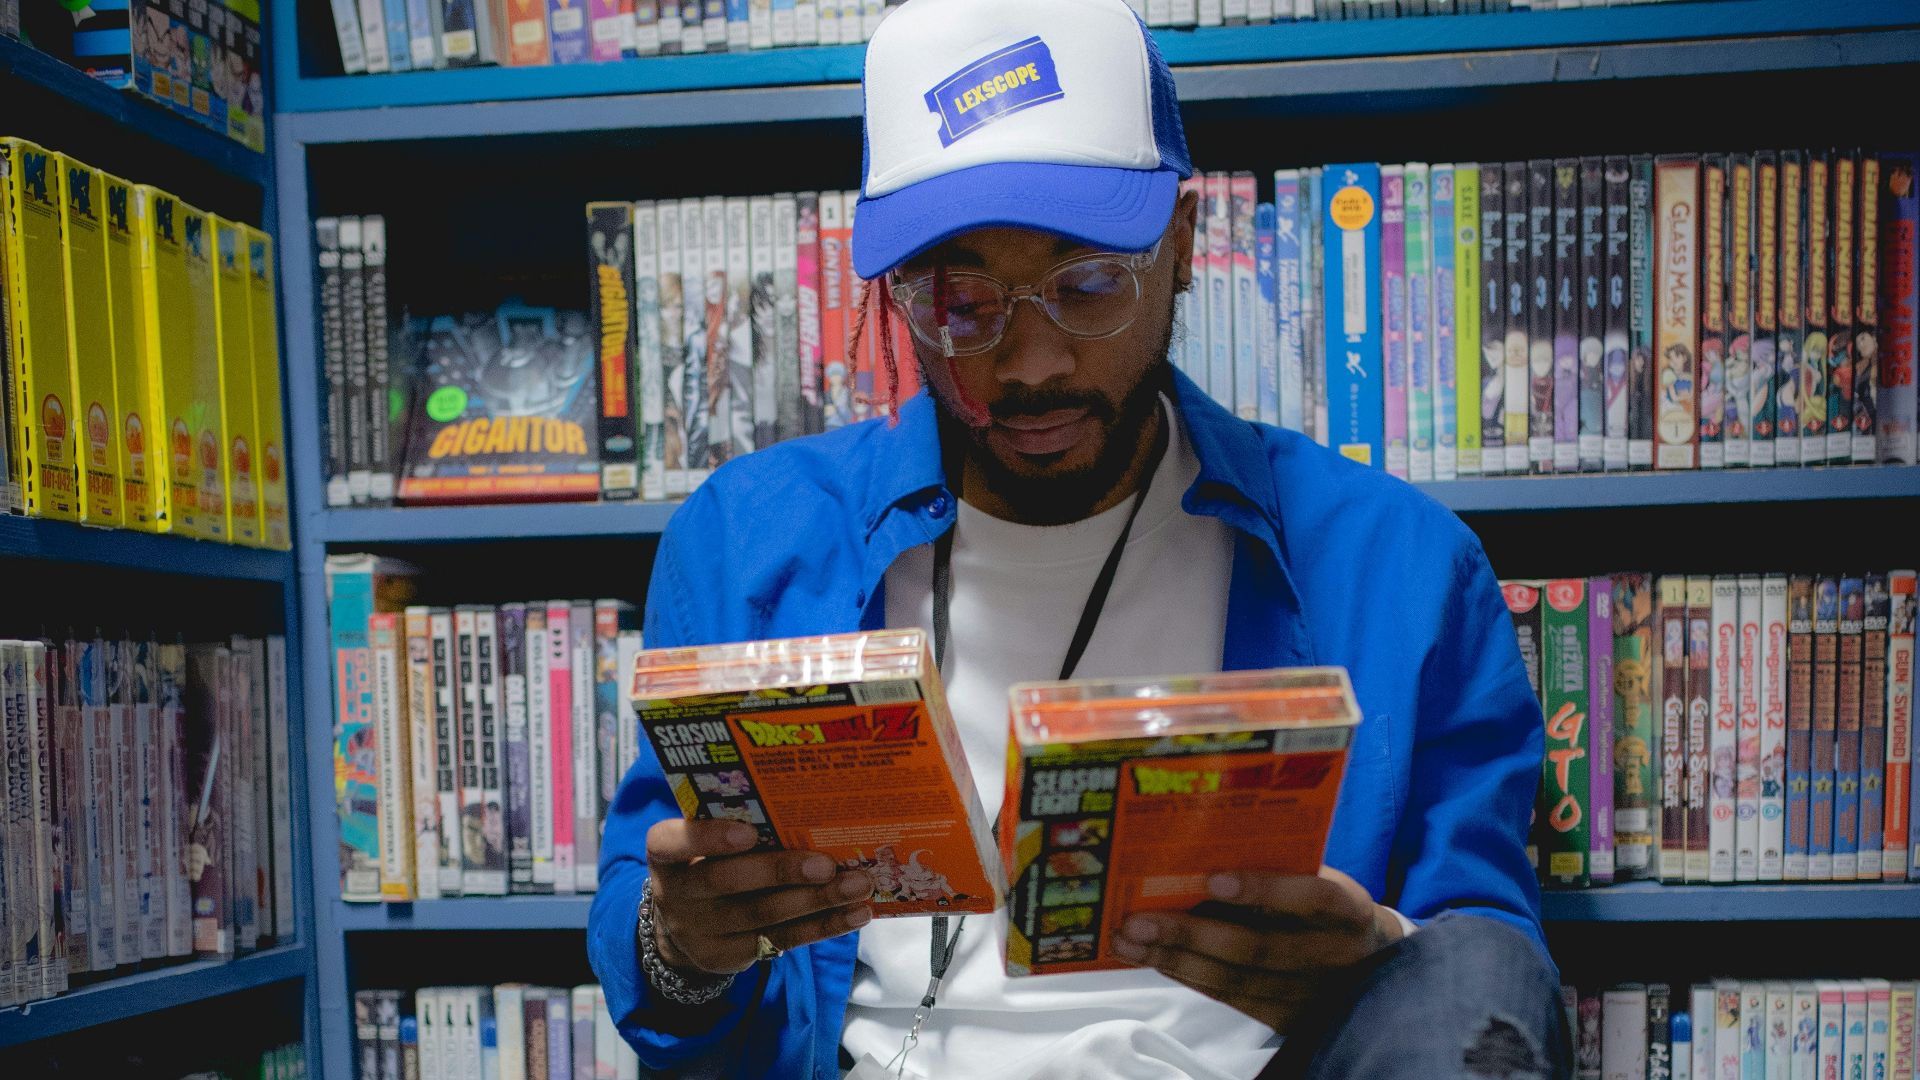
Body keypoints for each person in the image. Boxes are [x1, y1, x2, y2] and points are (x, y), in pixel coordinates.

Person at [588, 0, 1569, 1075]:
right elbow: (664, 982)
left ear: (1183, 247)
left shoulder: (1401, 566)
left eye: (1089, 285)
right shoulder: (746, 542)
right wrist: (681, 945)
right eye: (961, 298)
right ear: (898, 296)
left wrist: (1381, 959)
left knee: (1476, 965)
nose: (1032, 363)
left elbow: (1482, 978)